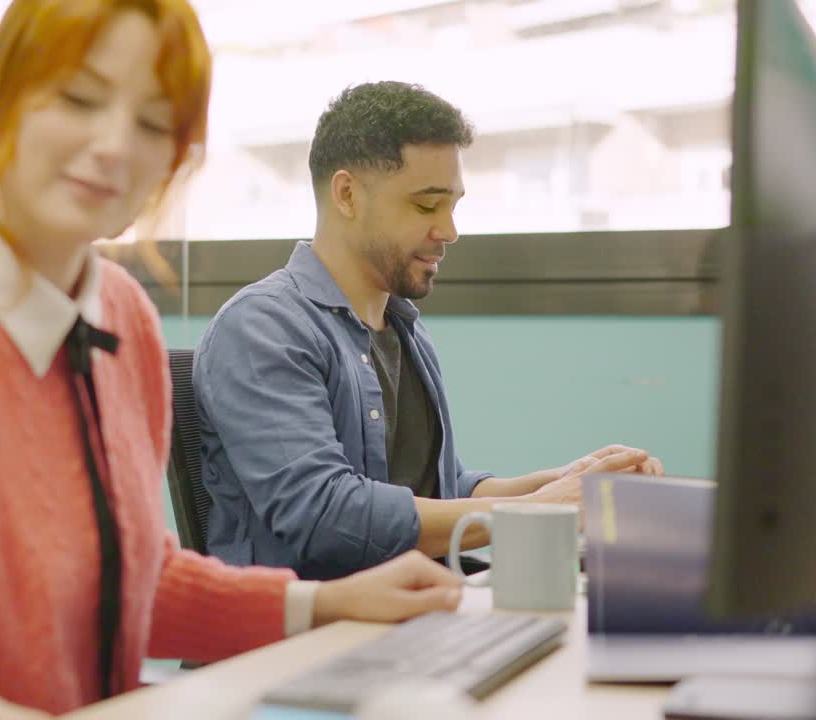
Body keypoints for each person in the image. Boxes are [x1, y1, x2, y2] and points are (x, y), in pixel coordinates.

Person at [0, 7, 468, 720]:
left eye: (153, 123)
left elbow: (131, 577)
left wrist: (324, 603)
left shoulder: (121, 317)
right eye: (78, 99)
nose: (114, 146)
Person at [193, 81, 664, 582]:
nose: (449, 230)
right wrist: (538, 509)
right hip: (309, 641)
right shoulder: (264, 328)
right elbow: (325, 517)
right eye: (426, 206)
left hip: (416, 612)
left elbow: (440, 491)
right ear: (347, 194)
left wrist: (567, 486)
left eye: (453, 205)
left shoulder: (404, 331)